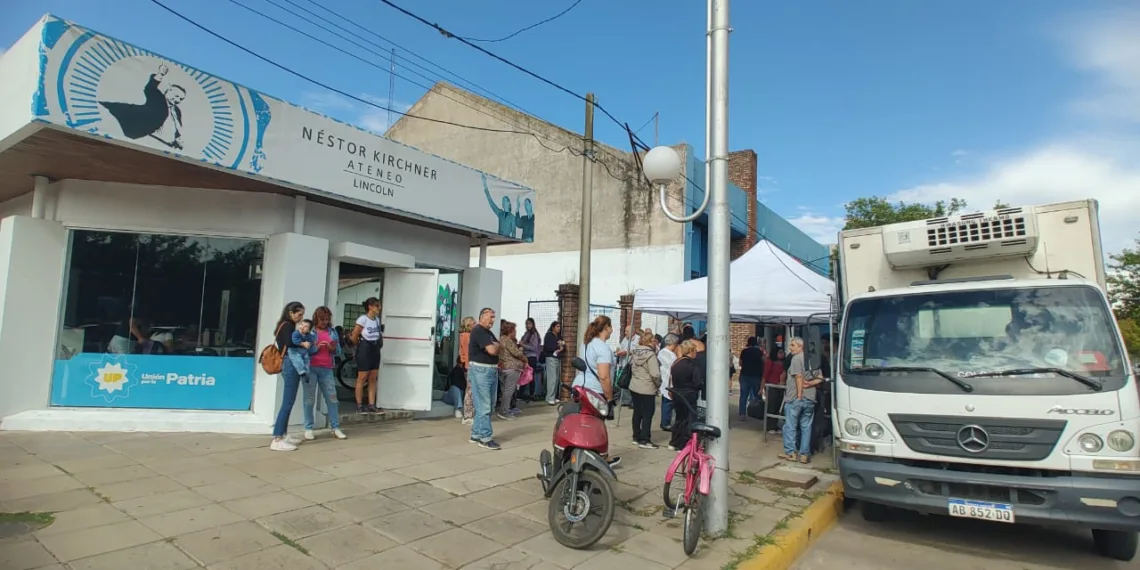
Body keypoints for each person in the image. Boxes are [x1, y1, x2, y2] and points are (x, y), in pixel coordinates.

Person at [572, 315, 621, 468]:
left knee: (581, 422)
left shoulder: (585, 344)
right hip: (595, 391)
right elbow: (604, 376)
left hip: (580, 386)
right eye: (611, 326)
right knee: (597, 425)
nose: (612, 330)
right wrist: (609, 397)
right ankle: (601, 457)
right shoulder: (603, 348)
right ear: (607, 327)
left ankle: (580, 450)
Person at [304, 307, 346, 441]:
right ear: (316, 318)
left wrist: (332, 348)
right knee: (309, 399)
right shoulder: (309, 332)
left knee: (332, 399)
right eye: (322, 320)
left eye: (327, 320)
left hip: (327, 368)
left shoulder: (332, 332)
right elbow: (304, 351)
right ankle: (308, 428)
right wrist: (315, 346)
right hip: (311, 367)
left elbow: (338, 352)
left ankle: (335, 427)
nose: (325, 322)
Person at [271, 301, 307, 452]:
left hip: (288, 363)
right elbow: (290, 343)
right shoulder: (287, 326)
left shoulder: (284, 325)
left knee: (288, 401)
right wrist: (303, 343)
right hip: (290, 363)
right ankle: (277, 438)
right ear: (291, 313)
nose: (301, 318)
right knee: (287, 402)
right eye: (299, 315)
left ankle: (283, 434)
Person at [781, 337, 823, 464]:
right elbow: (821, 378)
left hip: (795, 398)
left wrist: (799, 394)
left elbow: (798, 376)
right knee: (806, 427)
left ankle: (791, 452)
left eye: (793, 345)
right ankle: (804, 454)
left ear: (801, 347)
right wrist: (810, 384)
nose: (790, 347)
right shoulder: (813, 359)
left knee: (790, 426)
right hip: (810, 398)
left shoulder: (797, 359)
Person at [468, 308, 503, 450]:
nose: (493, 320)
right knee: (484, 405)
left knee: (485, 404)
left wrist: (496, 345)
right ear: (482, 317)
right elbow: (493, 350)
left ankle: (476, 433)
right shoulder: (479, 331)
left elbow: (500, 346)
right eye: (490, 317)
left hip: (490, 370)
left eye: (494, 317)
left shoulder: (488, 333)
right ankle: (485, 437)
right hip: (481, 370)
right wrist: (495, 346)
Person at [629, 329, 662, 449]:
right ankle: (645, 439)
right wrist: (658, 384)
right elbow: (655, 374)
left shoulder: (635, 352)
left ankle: (636, 436)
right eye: (654, 341)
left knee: (637, 412)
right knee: (648, 414)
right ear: (650, 341)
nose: (656, 343)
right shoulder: (651, 355)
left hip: (634, 386)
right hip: (647, 387)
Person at [351, 297, 384, 413]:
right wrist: (356, 347)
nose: (379, 308)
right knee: (362, 377)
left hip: (375, 349)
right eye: (377, 306)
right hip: (365, 348)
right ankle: (359, 404)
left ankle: (371, 404)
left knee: (373, 377)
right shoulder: (362, 319)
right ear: (370, 306)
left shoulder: (377, 320)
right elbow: (355, 335)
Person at [669, 340, 703, 451]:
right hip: (689, 394)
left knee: (679, 418)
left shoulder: (676, 363)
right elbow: (697, 383)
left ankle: (674, 442)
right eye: (695, 351)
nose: (696, 353)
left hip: (677, 393)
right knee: (688, 420)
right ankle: (683, 444)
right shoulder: (693, 365)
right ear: (691, 351)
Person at [497, 320, 527, 420]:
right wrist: (524, 358)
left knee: (505, 391)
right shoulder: (507, 340)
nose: (516, 332)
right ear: (511, 331)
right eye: (515, 330)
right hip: (511, 368)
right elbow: (517, 353)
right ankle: (504, 412)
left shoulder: (501, 339)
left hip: (504, 368)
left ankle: (505, 409)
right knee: (508, 391)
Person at [738, 336, 766, 421]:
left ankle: (742, 414)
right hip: (756, 376)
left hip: (744, 375)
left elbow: (740, 363)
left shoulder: (744, 351)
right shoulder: (759, 352)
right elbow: (764, 361)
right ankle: (758, 411)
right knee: (757, 394)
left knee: (743, 395)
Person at [657, 334, 679, 431]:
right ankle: (665, 422)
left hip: (665, 378)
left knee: (667, 402)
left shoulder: (661, 352)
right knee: (668, 403)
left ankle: (665, 421)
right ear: (672, 343)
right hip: (668, 379)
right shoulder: (669, 354)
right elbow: (673, 367)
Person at [520, 318, 542, 402]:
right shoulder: (526, 334)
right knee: (525, 375)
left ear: (533, 324)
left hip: (531, 357)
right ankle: (523, 393)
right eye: (526, 324)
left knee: (529, 376)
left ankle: (531, 394)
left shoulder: (534, 335)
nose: (528, 325)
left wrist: (524, 345)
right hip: (525, 357)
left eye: (529, 324)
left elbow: (534, 348)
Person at [542, 321, 565, 405]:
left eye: (559, 327)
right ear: (553, 327)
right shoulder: (549, 335)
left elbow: (563, 346)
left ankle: (554, 397)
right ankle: (549, 398)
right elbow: (548, 347)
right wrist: (558, 345)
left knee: (557, 379)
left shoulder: (559, 336)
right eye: (557, 326)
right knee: (552, 379)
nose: (559, 328)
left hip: (557, 358)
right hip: (551, 358)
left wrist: (562, 345)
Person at [458, 316, 475, 423]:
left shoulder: (462, 336)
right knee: (471, 391)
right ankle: (468, 415)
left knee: (469, 390)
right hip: (471, 364)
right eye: (474, 323)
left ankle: (468, 414)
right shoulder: (468, 336)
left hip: (466, 364)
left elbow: (461, 352)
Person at [615, 325, 634, 408]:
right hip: (623, 364)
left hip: (632, 364)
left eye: (627, 331)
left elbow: (635, 350)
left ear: (633, 332)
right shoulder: (624, 339)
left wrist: (626, 352)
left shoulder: (637, 339)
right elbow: (620, 347)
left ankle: (632, 401)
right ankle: (626, 400)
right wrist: (618, 350)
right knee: (624, 381)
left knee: (631, 383)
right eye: (625, 331)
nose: (625, 333)